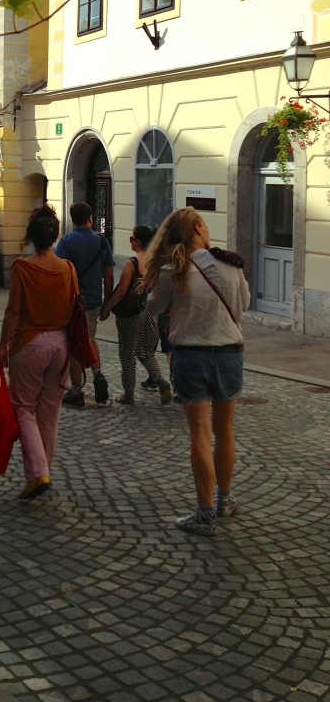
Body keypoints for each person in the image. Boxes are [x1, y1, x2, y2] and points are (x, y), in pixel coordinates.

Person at [142, 207, 250, 535]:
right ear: (198, 231)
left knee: (200, 434)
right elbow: (243, 305)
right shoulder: (231, 265)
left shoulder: (172, 269)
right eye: (205, 224)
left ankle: (204, 514)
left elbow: (154, 307)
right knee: (225, 431)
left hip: (191, 356)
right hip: (230, 354)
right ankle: (225, 500)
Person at [0, 205, 79, 501]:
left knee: (23, 408)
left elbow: (12, 313)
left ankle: (37, 473)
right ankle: (43, 470)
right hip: (61, 345)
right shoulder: (68, 268)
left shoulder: (22, 267)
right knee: (50, 412)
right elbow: (74, 311)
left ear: (30, 237)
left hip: (29, 344)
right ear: (55, 236)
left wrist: (2, 347)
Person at [100, 225, 172, 405]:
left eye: (131, 238)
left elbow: (121, 291)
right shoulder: (155, 262)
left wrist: (106, 307)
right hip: (151, 311)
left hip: (131, 314)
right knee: (146, 352)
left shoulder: (131, 263)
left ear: (137, 242)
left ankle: (128, 393)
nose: (130, 241)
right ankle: (160, 381)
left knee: (127, 353)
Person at [54, 202, 112, 406]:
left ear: (72, 219)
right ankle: (97, 375)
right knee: (89, 338)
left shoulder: (66, 242)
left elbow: (58, 272)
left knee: (74, 345)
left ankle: (76, 391)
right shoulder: (102, 242)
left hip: (73, 302)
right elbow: (109, 273)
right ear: (91, 218)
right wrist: (108, 303)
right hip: (94, 301)